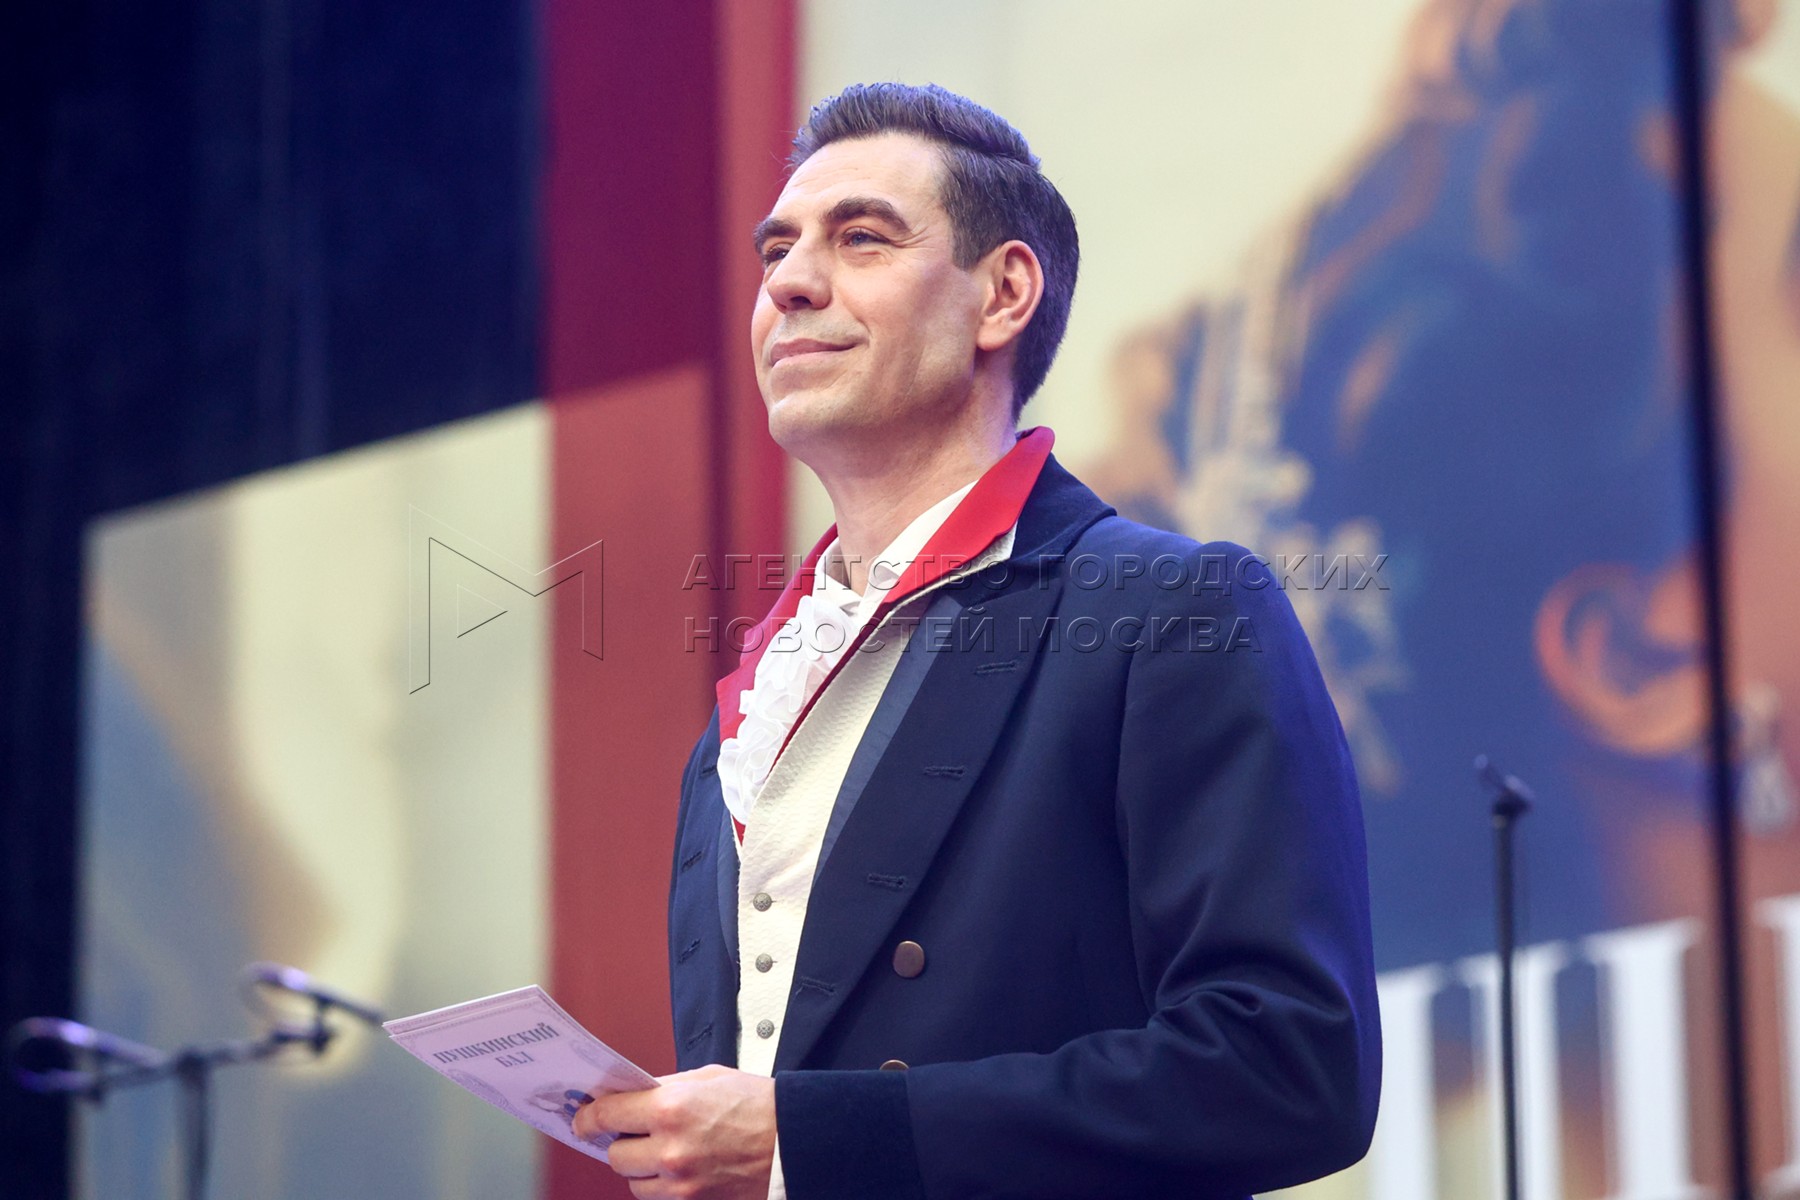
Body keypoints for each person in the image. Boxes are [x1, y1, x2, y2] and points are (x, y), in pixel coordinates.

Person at [574, 82, 1380, 1200]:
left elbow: (1289, 1069)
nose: (789, 282)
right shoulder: (744, 713)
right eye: (777, 250)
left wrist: (809, 1137)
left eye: (861, 237)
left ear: (1003, 295)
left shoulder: (1173, 607)